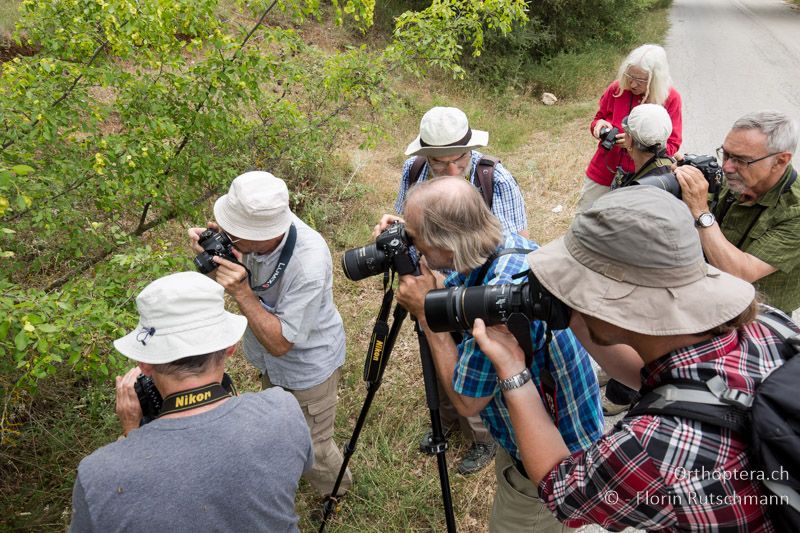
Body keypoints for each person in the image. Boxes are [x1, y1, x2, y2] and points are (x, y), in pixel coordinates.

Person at [472, 186, 793, 531]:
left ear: (616, 307)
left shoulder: (652, 446)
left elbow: (561, 489)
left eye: (580, 292)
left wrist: (513, 370)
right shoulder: (768, 324)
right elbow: (665, 381)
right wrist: (574, 308)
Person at [394, 176, 604, 532]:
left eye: (415, 237)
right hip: (559, 428)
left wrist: (426, 318)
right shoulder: (503, 247)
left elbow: (467, 403)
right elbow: (459, 291)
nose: (412, 246)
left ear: (444, 241)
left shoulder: (496, 303)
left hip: (554, 458)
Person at [69, 272, 313, 532]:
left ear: (145, 363)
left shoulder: (98, 475)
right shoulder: (283, 411)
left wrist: (131, 435)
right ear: (231, 346)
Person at [377, 106, 529, 474]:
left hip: (478, 290)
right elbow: (410, 219)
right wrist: (398, 230)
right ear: (424, 156)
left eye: (458, 160)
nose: (450, 170)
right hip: (431, 276)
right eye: (439, 163)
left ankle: (482, 438)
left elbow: (516, 242)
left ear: (469, 149)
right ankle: (444, 419)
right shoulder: (413, 171)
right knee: (436, 350)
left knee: (474, 356)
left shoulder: (495, 177)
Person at [189, 171, 352, 498]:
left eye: (236, 233)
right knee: (282, 426)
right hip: (270, 362)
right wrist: (211, 250)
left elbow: (281, 343)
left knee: (314, 445)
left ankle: (337, 491)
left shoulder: (307, 261)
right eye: (228, 229)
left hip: (307, 367)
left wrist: (242, 293)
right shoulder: (249, 235)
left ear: (265, 233)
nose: (229, 238)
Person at [676, 110, 800, 316]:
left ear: (780, 161)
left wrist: (701, 212)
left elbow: (741, 272)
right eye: (725, 154)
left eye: (741, 160)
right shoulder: (738, 177)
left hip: (754, 316)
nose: (726, 167)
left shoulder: (794, 211)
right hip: (706, 291)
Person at [578, 43, 682, 212]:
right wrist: (598, 126)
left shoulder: (670, 99)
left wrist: (635, 144)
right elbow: (599, 118)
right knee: (586, 216)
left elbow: (672, 145)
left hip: (642, 179)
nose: (632, 84)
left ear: (656, 79)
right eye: (629, 76)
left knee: (625, 227)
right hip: (604, 170)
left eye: (641, 80)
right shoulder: (617, 88)